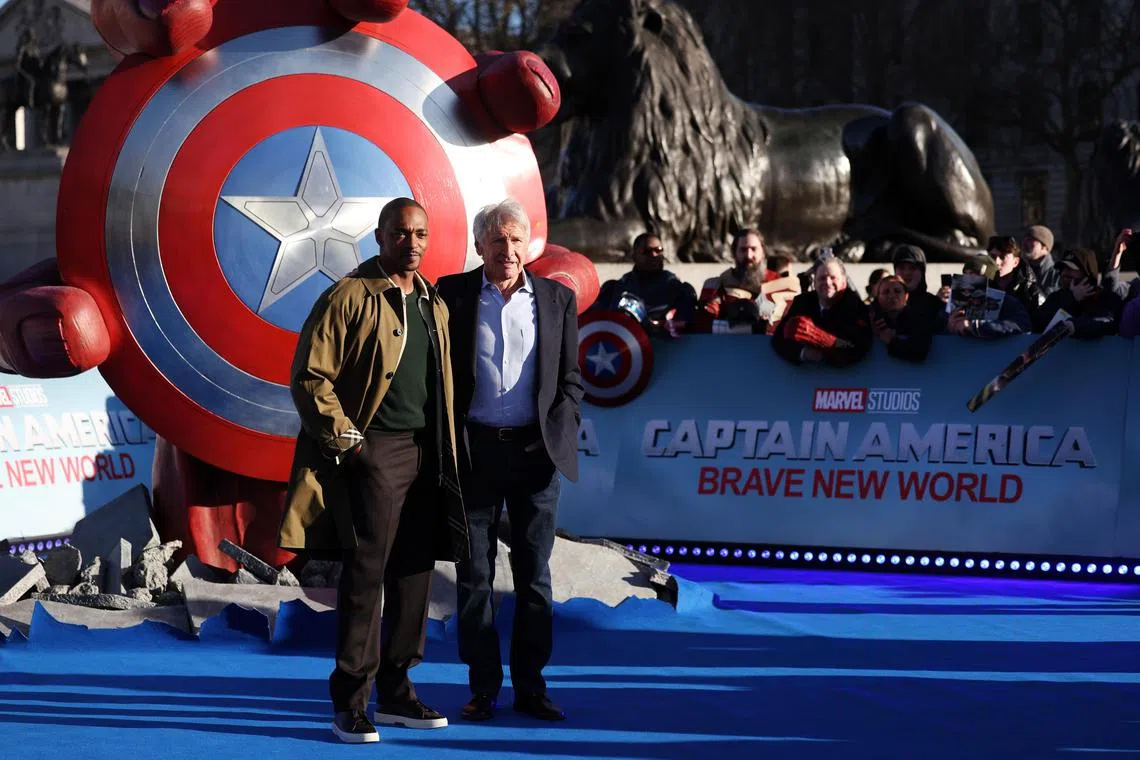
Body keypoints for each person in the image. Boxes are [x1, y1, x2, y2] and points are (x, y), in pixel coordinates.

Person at [278, 197, 469, 744]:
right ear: (380, 236)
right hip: (373, 453)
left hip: (425, 453)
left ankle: (398, 691)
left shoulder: (433, 302)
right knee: (366, 578)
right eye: (402, 232)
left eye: (421, 233)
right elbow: (311, 377)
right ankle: (351, 700)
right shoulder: (348, 296)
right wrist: (352, 444)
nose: (413, 242)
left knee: (414, 575)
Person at [436, 198, 583, 723]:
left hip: (534, 453)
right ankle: (482, 688)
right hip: (474, 452)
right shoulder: (450, 295)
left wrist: (561, 429)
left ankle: (532, 687)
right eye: (497, 240)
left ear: (529, 245)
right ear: (479, 245)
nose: (508, 250)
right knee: (474, 577)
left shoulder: (556, 299)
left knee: (534, 577)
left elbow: (570, 378)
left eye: (517, 240)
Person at [771, 256, 872, 366]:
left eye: (833, 278)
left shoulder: (855, 306)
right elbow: (778, 339)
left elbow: (858, 346)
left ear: (844, 282)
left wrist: (821, 341)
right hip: (805, 377)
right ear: (814, 282)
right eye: (822, 278)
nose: (827, 282)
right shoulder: (802, 302)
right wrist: (803, 353)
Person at [593, 232, 697, 331]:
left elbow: (688, 323)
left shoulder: (680, 290)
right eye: (646, 251)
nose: (653, 255)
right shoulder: (615, 288)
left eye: (658, 250)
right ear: (634, 256)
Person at [693, 228, 779, 333]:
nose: (748, 255)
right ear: (734, 252)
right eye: (743, 249)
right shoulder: (717, 286)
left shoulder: (779, 284)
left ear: (763, 251)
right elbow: (702, 325)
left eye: (753, 249)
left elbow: (785, 326)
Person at [1035, 247, 1124, 338]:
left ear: (1087, 275)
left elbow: (1104, 324)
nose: (1065, 273)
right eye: (1063, 269)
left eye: (1071, 269)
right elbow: (1039, 325)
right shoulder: (1056, 298)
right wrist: (1071, 298)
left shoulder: (1107, 299)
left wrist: (1076, 327)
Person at [870, 274, 932, 362]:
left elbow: (919, 352)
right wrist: (871, 333)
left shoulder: (919, 318)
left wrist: (892, 341)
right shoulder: (870, 319)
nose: (892, 296)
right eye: (886, 292)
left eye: (897, 291)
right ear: (878, 298)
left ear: (906, 296)